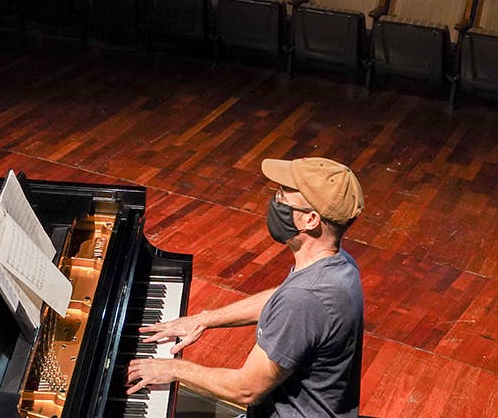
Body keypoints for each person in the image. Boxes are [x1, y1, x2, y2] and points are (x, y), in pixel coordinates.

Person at [128, 157, 365, 418]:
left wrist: (174, 369)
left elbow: (247, 390)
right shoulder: (338, 265)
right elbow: (278, 298)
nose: (276, 202)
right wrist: (205, 319)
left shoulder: (304, 299)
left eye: (283, 196)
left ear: (310, 220)